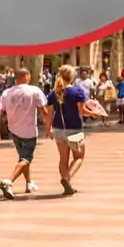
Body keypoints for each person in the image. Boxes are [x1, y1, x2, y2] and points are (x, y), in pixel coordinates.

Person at [0, 68, 48, 199]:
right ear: (27, 76)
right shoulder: (35, 90)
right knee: (26, 158)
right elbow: (44, 110)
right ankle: (9, 181)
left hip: (14, 130)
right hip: (29, 130)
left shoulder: (6, 93)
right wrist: (49, 126)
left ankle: (29, 183)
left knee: (23, 158)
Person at [45, 65, 90, 196]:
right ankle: (66, 178)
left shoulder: (54, 93)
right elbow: (82, 111)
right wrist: (93, 113)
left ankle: (67, 184)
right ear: (71, 77)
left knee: (63, 159)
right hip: (74, 128)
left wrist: (48, 129)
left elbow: (49, 113)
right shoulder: (77, 92)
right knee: (79, 157)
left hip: (59, 128)